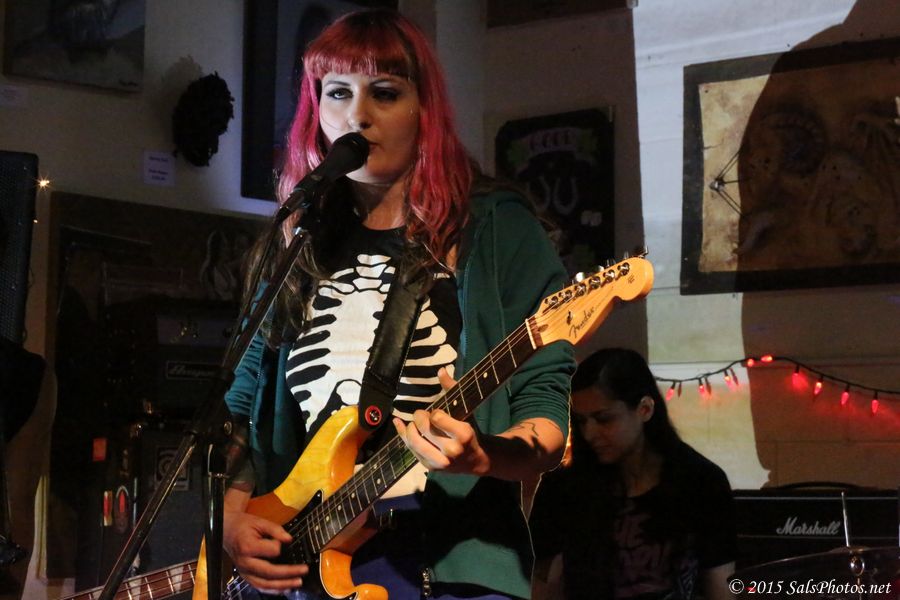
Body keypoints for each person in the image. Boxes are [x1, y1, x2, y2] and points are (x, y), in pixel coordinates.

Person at [221, 8, 575, 600]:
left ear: (423, 110)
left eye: (384, 93)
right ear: (315, 111)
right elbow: (241, 400)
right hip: (304, 566)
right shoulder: (298, 241)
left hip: (450, 566)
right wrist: (233, 518)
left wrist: (483, 456)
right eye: (338, 92)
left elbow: (546, 412)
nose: (357, 115)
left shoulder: (495, 228)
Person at [530, 348, 736, 600]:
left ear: (645, 409)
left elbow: (720, 588)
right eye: (581, 421)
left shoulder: (701, 482)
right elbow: (542, 586)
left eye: (604, 419)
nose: (589, 434)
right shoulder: (563, 489)